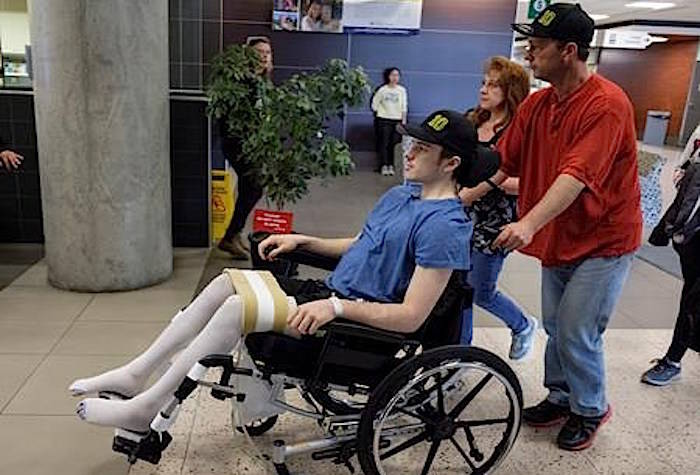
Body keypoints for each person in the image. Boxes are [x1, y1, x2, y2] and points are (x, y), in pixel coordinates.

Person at [69, 110, 498, 435]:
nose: (410, 150)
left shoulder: (445, 227)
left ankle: (145, 410)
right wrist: (304, 240)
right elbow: (363, 244)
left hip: (357, 324)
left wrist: (335, 306)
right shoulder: (404, 196)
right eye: (413, 142)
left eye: (423, 147)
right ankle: (135, 374)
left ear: (451, 163)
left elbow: (410, 317)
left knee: (240, 309)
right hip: (331, 293)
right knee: (227, 283)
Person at [465, 3, 642, 451]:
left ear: (568, 51)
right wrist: (452, 177)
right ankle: (561, 395)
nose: (528, 53)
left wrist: (527, 222)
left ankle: (591, 407)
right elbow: (504, 160)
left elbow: (576, 177)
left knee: (577, 327)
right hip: (562, 235)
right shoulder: (540, 104)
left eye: (537, 46)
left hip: (605, 238)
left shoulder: (606, 104)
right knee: (555, 323)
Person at [459, 56, 537, 359]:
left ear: (511, 91)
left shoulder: (520, 131)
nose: (484, 90)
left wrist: (492, 182)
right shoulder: (472, 121)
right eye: (484, 83)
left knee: (479, 289)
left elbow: (532, 181)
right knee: (457, 289)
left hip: (497, 220)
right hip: (460, 213)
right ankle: (458, 353)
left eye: (493, 85)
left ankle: (522, 324)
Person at [641, 125, 700, 386]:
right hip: (692, 232)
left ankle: (673, 359)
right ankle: (674, 358)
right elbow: (686, 164)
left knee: (693, 299)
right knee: (691, 295)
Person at [217, 37, 273, 260]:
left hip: (255, 143)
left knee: (251, 187)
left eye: (267, 52)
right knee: (254, 186)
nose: (264, 56)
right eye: (259, 52)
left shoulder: (262, 80)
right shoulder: (240, 80)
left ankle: (233, 234)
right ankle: (230, 236)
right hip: (238, 142)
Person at [371, 67, 408, 176]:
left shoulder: (401, 90)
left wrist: (403, 120)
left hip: (397, 120)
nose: (395, 78)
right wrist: (381, 113)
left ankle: (391, 165)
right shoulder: (382, 89)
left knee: (395, 144)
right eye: (393, 75)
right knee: (384, 143)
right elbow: (374, 104)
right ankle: (384, 165)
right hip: (384, 120)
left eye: (397, 75)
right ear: (388, 76)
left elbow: (404, 106)